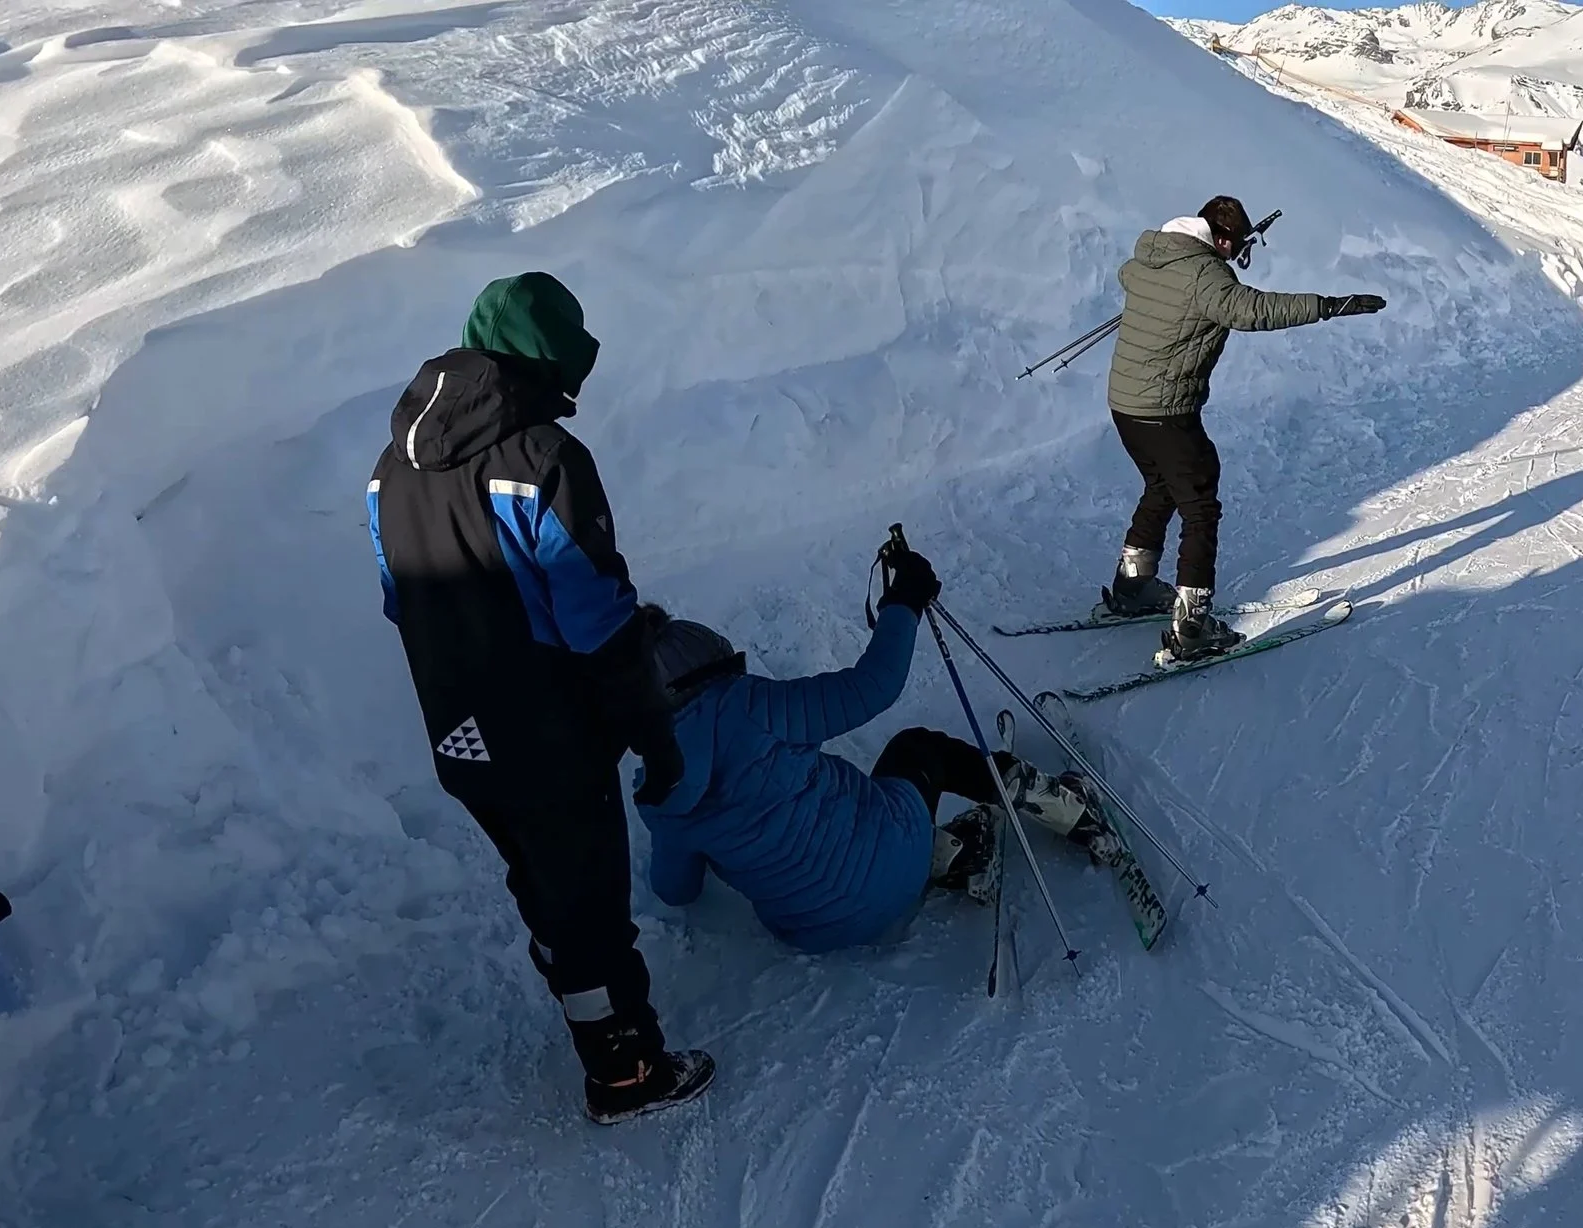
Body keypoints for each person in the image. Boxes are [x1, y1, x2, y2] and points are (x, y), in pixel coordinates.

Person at [368, 271, 712, 1126]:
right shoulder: (544, 461)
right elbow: (598, 621)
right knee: (589, 904)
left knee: (543, 887)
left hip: (458, 733)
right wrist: (654, 736)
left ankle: (576, 988)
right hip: (549, 736)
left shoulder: (389, 472)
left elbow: (396, 599)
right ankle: (625, 1071)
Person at [633, 551, 1113, 950]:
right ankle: (1061, 805)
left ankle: (953, 854)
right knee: (917, 749)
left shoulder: (658, 788)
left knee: (871, 802)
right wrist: (903, 602)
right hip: (892, 856)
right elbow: (874, 686)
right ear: (713, 667)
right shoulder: (750, 705)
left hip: (814, 930)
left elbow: (676, 891)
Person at [1104, 195, 1386, 662]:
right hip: (1165, 408)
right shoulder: (1204, 275)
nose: (1238, 256)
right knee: (1199, 502)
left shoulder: (1154, 258)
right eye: (1236, 248)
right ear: (1220, 240)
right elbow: (1252, 309)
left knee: (1163, 484)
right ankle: (1192, 624)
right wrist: (1329, 305)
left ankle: (1133, 582)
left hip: (1125, 405)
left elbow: (1132, 279)